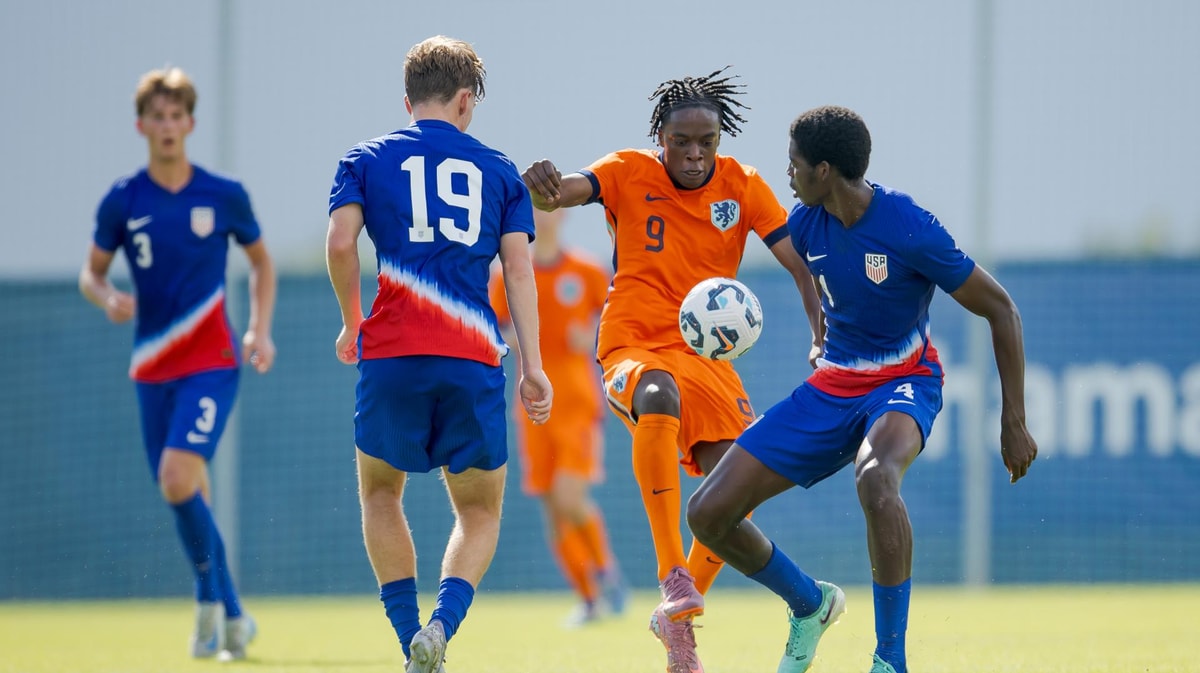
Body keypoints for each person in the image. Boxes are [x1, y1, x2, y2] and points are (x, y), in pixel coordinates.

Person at [686, 105, 1039, 673]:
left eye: (795, 164)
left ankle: (889, 660)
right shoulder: (802, 224)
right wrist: (816, 334)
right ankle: (810, 604)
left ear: (824, 170)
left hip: (904, 382)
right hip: (832, 386)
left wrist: (1014, 419)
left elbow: (1001, 309)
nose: (788, 174)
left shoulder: (909, 227)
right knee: (707, 512)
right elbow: (797, 271)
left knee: (877, 481)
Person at [522, 68, 821, 673]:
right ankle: (672, 576)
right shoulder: (629, 170)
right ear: (660, 136)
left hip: (707, 361)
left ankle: (679, 629)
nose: (693, 153)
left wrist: (822, 332)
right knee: (656, 396)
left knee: (734, 490)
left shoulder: (744, 187)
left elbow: (799, 265)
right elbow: (572, 189)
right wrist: (543, 186)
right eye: (680, 140)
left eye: (705, 141)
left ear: (720, 138)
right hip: (632, 345)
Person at [325, 35, 553, 673]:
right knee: (479, 509)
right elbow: (518, 271)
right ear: (464, 99)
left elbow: (342, 243)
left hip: (392, 353)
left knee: (379, 495)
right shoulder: (500, 169)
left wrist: (352, 324)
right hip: (473, 355)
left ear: (407, 101)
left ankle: (409, 645)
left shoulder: (365, 158)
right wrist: (532, 367)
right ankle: (441, 628)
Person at [78, 67, 276, 661]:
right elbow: (90, 271)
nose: (167, 127)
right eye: (156, 117)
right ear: (142, 126)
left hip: (212, 361)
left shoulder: (222, 194)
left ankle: (206, 605)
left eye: (176, 116)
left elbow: (263, 265)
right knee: (184, 488)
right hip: (150, 368)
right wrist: (107, 295)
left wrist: (258, 330)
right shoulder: (123, 198)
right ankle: (234, 616)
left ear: (190, 123)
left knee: (175, 474)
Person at [487, 208, 628, 628]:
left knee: (570, 499)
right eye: (529, 209)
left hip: (577, 402)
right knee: (552, 511)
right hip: (532, 406)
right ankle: (588, 600)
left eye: (546, 208)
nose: (539, 217)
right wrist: (512, 338)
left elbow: (614, 313)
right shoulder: (507, 275)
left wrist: (595, 332)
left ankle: (606, 572)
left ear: (561, 213)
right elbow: (494, 327)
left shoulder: (586, 270)